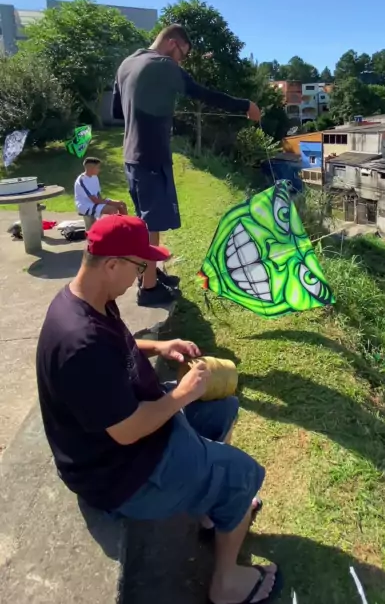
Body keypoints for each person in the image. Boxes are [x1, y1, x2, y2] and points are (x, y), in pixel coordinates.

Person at [36, 215, 280, 604]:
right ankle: (226, 584)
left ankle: (212, 506)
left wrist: (159, 346)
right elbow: (127, 430)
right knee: (241, 473)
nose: (142, 275)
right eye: (140, 266)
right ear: (112, 264)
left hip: (134, 430)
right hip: (117, 473)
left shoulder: (91, 300)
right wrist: (182, 394)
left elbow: (118, 347)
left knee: (223, 407)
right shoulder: (79, 342)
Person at [112, 24, 261, 307]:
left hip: (131, 155)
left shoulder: (126, 64)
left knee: (144, 221)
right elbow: (202, 93)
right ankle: (149, 289)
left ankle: (148, 273)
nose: (182, 60)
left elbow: (118, 111)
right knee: (152, 224)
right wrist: (246, 106)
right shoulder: (163, 65)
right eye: (183, 53)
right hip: (151, 156)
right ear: (172, 43)